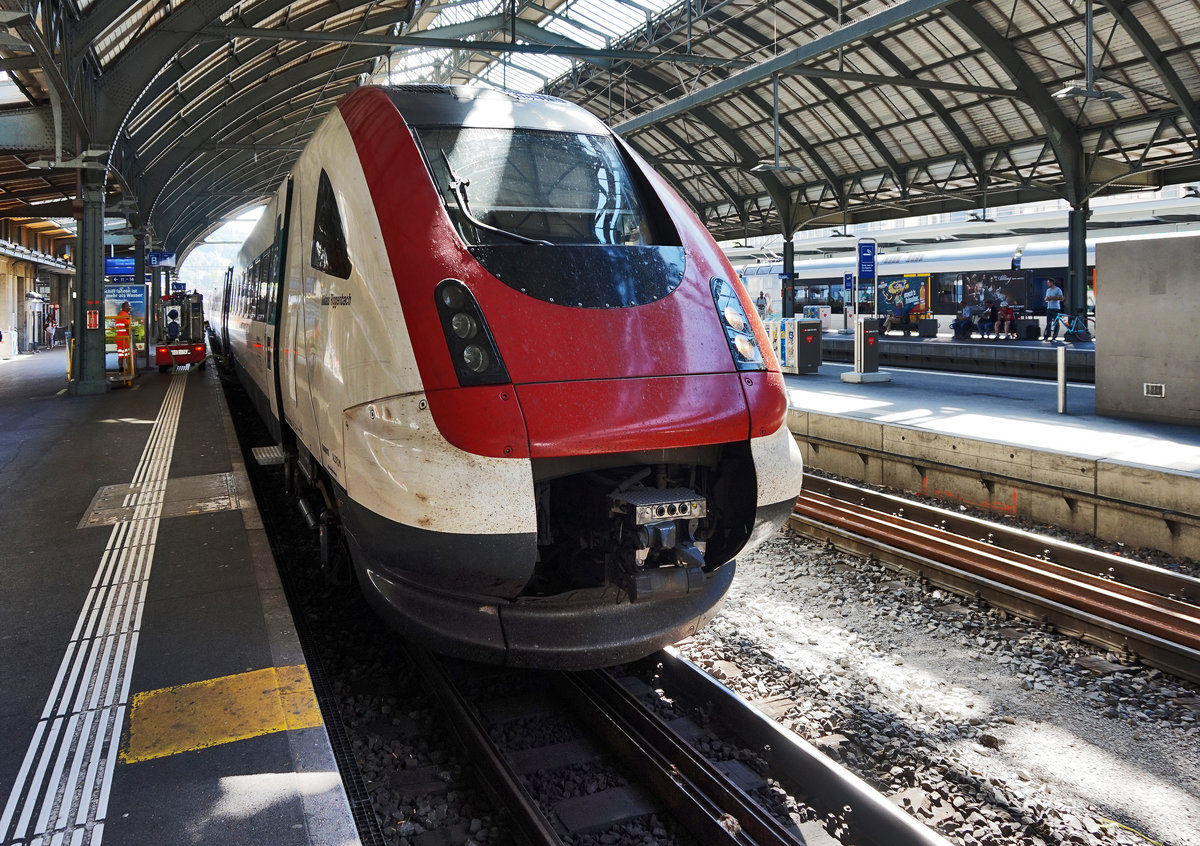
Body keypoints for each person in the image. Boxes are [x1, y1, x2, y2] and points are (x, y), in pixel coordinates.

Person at [115, 301, 132, 368]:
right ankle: (129, 369)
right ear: (125, 307)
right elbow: (127, 326)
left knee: (120, 354)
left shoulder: (119, 315)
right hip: (125, 338)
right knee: (127, 354)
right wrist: (130, 336)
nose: (130, 308)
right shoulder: (125, 315)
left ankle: (121, 368)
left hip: (119, 338)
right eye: (129, 306)